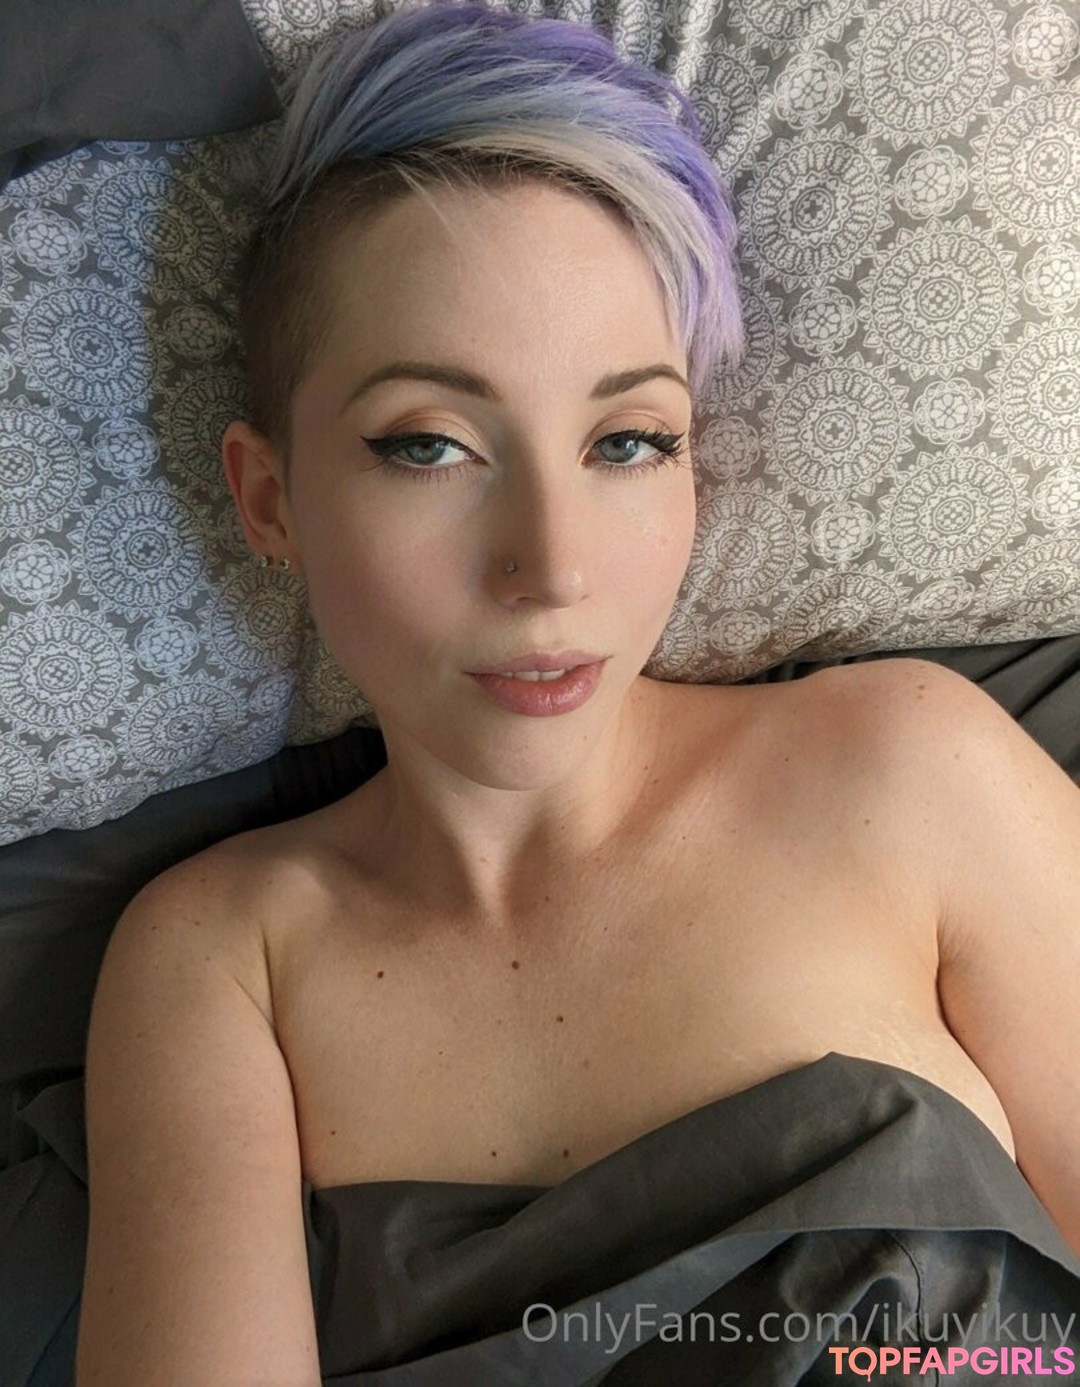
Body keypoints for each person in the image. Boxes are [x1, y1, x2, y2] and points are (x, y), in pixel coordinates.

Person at [75, 3, 1080, 1383]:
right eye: (428, 445)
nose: (550, 568)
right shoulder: (220, 961)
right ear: (271, 500)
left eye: (627, 441)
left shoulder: (912, 772)